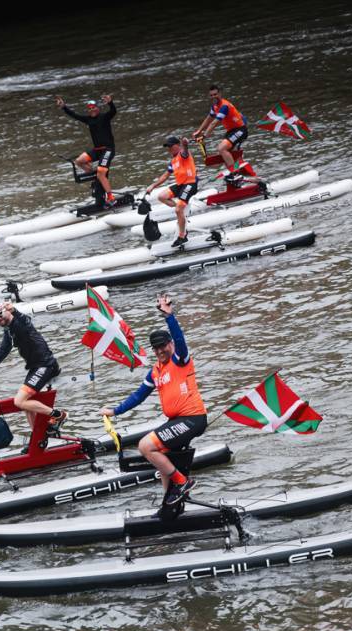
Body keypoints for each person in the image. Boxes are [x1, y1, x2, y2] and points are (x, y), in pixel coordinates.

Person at [99, 294, 206, 507]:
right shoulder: (155, 372)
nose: (159, 352)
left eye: (163, 347)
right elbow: (139, 396)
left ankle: (183, 482)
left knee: (145, 446)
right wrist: (115, 411)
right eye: (156, 349)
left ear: (170, 344)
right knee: (162, 455)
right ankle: (169, 504)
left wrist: (169, 317)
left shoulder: (180, 360)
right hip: (178, 421)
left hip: (193, 418)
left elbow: (181, 341)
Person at [0, 302, 68, 434]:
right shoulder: (8, 332)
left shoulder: (20, 322)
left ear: (7, 311)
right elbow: (1, 352)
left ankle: (59, 415)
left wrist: (15, 310)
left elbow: (26, 321)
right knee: (26, 404)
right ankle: (37, 435)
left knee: (19, 401)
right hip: (35, 368)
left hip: (46, 365)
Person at [55, 94, 118, 207]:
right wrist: (64, 107)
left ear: (97, 108)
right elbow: (74, 115)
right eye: (89, 108)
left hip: (108, 150)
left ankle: (110, 197)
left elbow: (113, 111)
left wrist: (110, 102)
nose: (91, 110)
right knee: (79, 161)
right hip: (97, 150)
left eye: (93, 107)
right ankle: (97, 177)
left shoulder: (105, 117)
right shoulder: (88, 120)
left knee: (101, 173)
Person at [145, 136, 197, 247]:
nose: (169, 149)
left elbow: (185, 149)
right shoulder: (173, 161)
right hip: (180, 186)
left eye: (171, 146)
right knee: (161, 196)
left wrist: (185, 144)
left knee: (178, 210)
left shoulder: (183, 154)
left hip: (190, 184)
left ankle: (182, 236)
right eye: (167, 147)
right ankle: (180, 211)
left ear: (177, 145)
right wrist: (153, 186)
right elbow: (165, 176)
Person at [192, 84, 249, 185]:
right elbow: (208, 118)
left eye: (215, 94)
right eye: (211, 95)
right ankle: (237, 176)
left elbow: (214, 123)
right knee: (225, 154)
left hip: (240, 130)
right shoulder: (215, 107)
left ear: (220, 93)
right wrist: (199, 131)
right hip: (231, 131)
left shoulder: (224, 106)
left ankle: (235, 174)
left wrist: (204, 136)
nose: (213, 97)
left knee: (222, 148)